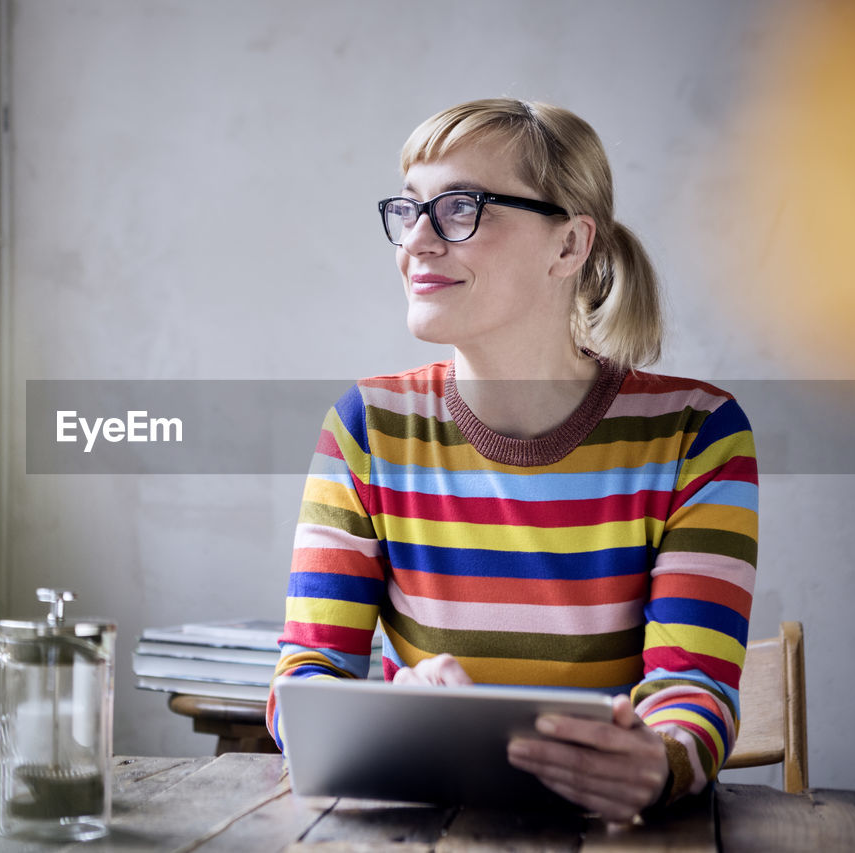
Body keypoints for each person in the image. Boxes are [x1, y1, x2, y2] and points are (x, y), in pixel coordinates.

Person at [265, 98, 757, 823]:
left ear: (569, 246)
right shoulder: (366, 428)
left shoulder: (697, 433)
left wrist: (661, 758)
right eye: (409, 210)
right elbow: (303, 682)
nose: (419, 243)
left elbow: (693, 688)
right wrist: (388, 709)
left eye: (460, 207)